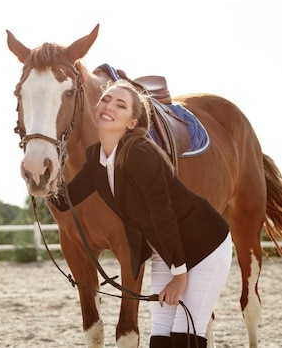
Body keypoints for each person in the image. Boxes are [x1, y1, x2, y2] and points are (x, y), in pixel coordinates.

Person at [50, 79, 232, 348]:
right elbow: (66, 201)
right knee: (159, 338)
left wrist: (179, 277)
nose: (109, 106)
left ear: (132, 123)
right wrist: (43, 182)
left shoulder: (141, 154)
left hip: (203, 246)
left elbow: (163, 215)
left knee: (185, 337)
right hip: (167, 251)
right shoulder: (96, 157)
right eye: (106, 100)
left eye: (120, 104)